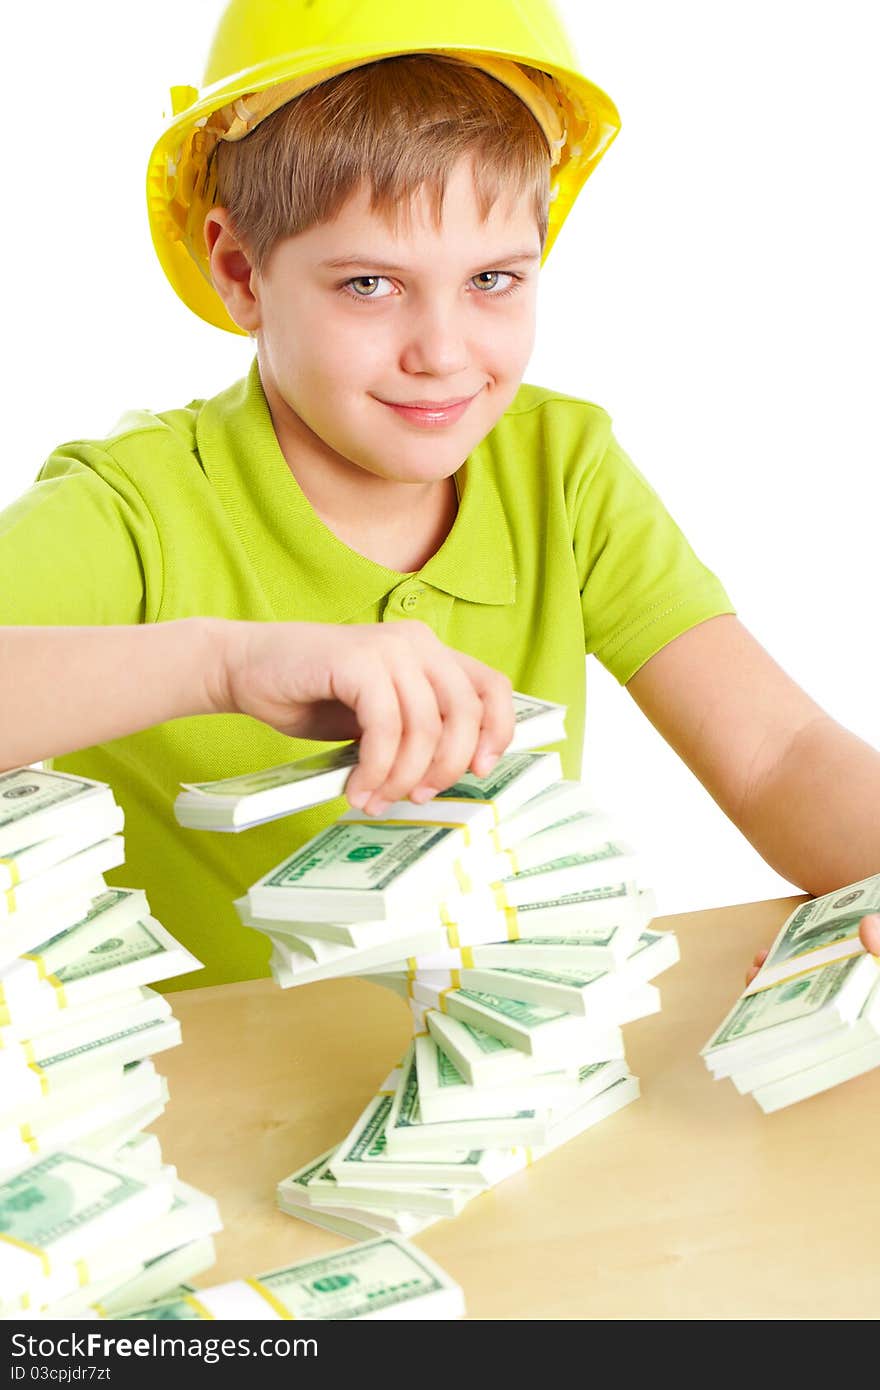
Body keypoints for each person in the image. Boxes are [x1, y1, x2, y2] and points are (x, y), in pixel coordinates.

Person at [1, 0, 878, 992]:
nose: (443, 352)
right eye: (370, 284)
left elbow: (775, 751)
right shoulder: (137, 506)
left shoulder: (560, 464)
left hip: (512, 1080)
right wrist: (225, 661)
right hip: (192, 1113)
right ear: (241, 272)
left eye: (493, 279)